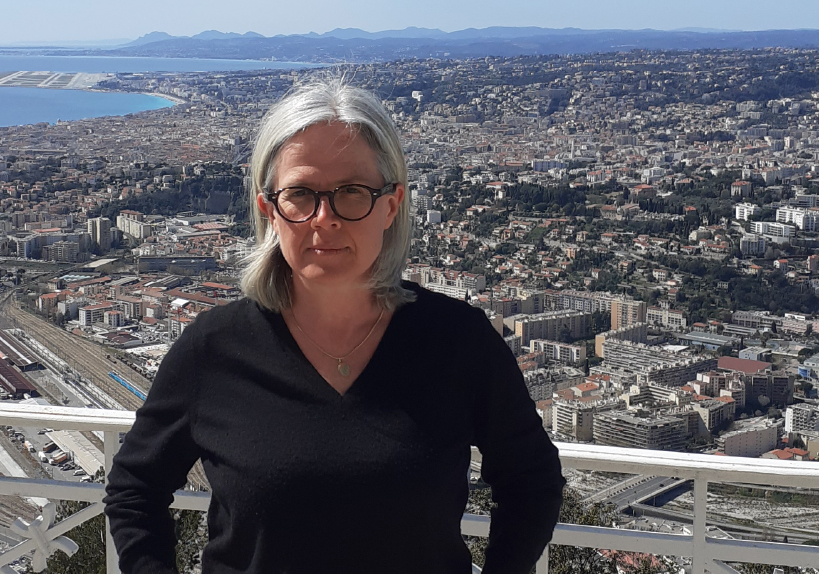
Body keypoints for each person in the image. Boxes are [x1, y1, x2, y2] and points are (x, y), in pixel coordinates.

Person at [104, 79, 565, 574]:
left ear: (391, 205)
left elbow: (532, 480)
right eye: (300, 194)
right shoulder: (214, 348)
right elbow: (135, 489)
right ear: (269, 210)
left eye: (352, 192)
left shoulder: (459, 342)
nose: (324, 218)